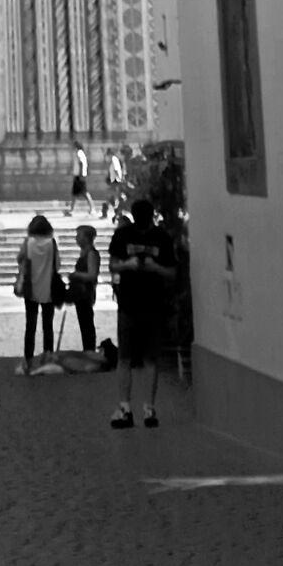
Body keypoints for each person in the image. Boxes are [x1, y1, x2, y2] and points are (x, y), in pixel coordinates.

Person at [109, 197, 177, 428]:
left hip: (140, 304)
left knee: (129, 359)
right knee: (144, 359)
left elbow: (171, 273)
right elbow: (114, 264)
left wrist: (152, 267)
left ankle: (129, 407)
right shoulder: (159, 237)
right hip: (140, 304)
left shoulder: (147, 236)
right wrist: (130, 265)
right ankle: (145, 408)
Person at [16, 213, 59, 373]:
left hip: (31, 288)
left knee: (30, 325)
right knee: (48, 325)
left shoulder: (28, 243)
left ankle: (28, 359)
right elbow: (58, 265)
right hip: (48, 289)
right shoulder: (52, 243)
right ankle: (48, 356)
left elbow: (19, 258)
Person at [69, 223, 103, 359]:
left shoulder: (91, 254)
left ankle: (89, 349)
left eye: (79, 235)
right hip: (80, 292)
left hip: (86, 292)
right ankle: (87, 349)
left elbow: (92, 274)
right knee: (84, 321)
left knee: (87, 322)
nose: (76, 238)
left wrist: (76, 275)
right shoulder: (85, 253)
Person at [69, 142, 96, 218]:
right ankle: (72, 209)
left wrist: (81, 175)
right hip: (78, 176)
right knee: (74, 193)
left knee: (85, 193)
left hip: (80, 176)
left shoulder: (79, 153)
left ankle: (92, 208)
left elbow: (81, 164)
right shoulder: (79, 153)